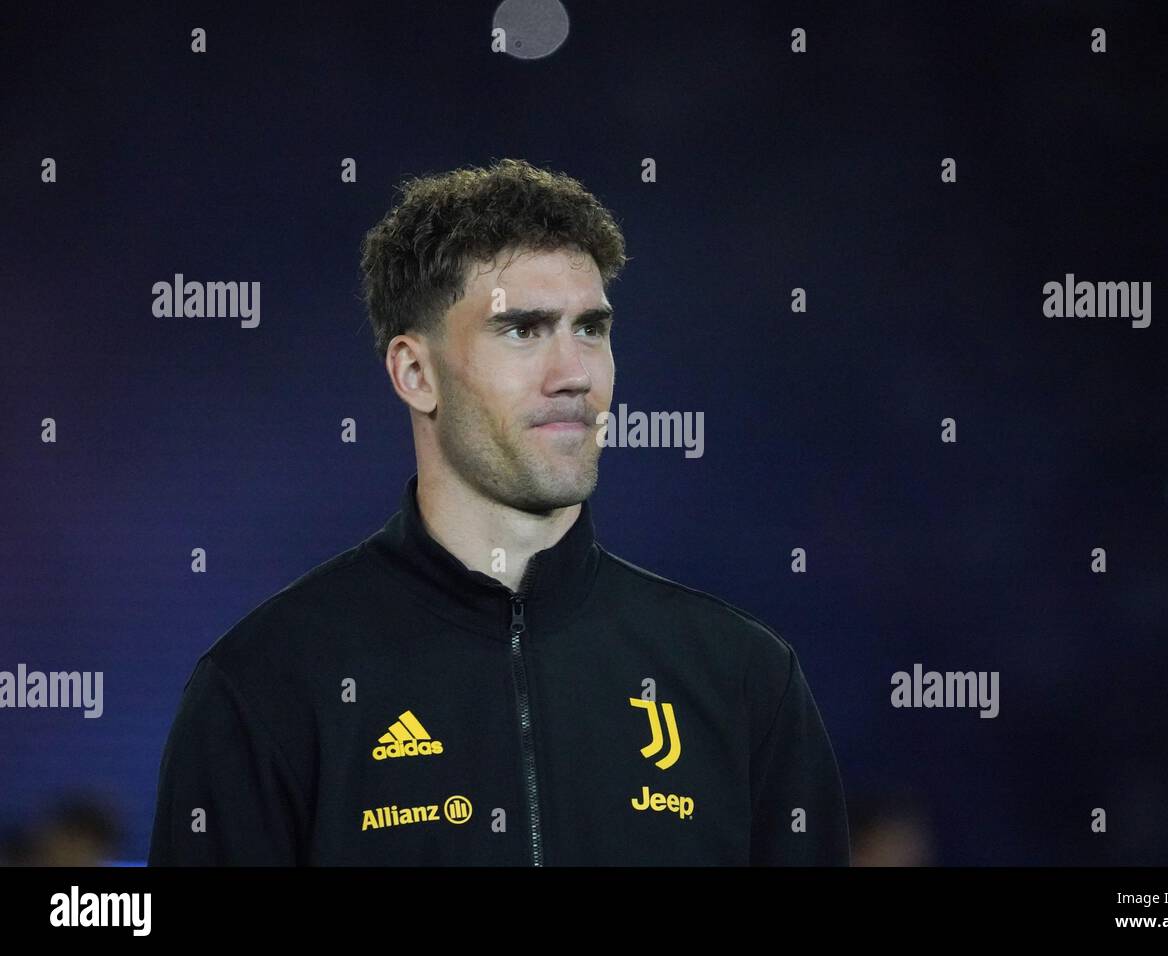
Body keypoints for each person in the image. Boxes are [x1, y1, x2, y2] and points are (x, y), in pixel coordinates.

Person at [148, 158, 850, 865]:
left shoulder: (743, 678)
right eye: (523, 330)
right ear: (414, 373)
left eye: (592, 329)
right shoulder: (263, 687)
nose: (574, 373)